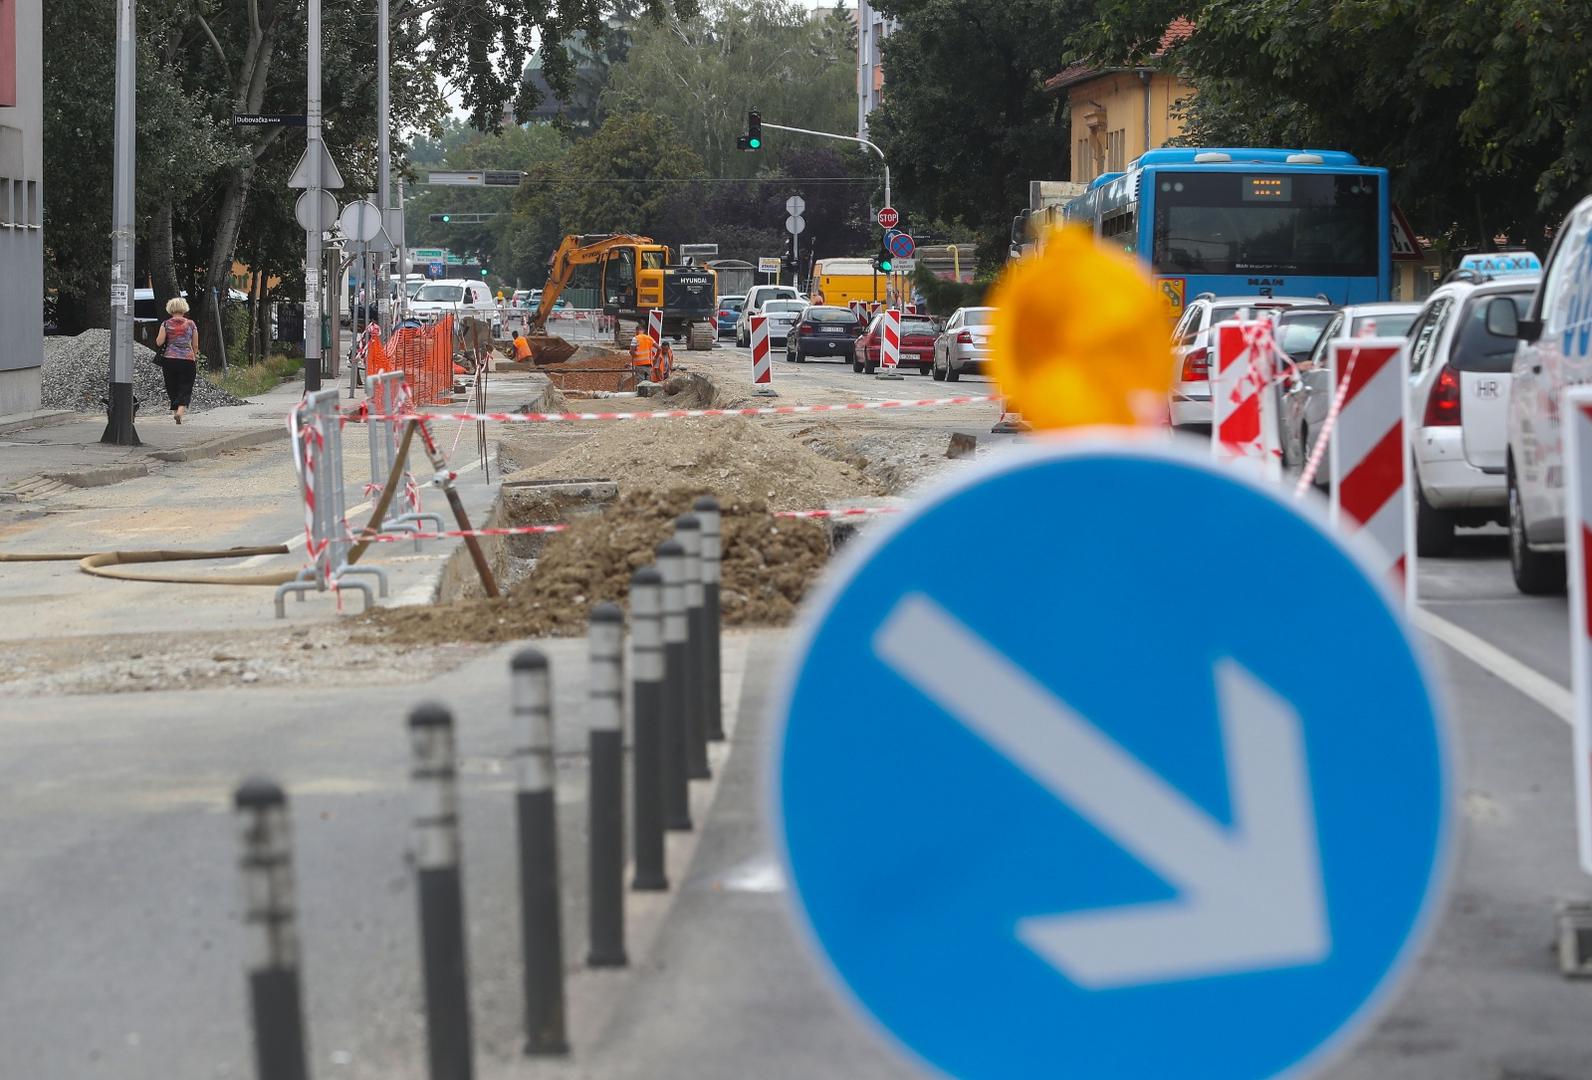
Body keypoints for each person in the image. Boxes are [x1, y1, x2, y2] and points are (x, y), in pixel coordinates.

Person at [154, 297, 198, 424]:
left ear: (170, 309)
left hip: (169, 359)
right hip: (187, 360)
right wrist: (193, 356)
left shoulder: (166, 324)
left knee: (172, 385)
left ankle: (175, 412)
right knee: (185, 385)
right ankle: (180, 411)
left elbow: (159, 342)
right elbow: (195, 345)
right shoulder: (191, 324)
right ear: (184, 308)